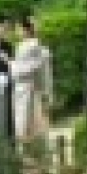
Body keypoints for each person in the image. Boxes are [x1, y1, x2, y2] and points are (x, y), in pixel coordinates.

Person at [10, 15, 53, 143]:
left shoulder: (30, 46)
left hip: (26, 87)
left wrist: (9, 64)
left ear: (26, 30)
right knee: (33, 122)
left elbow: (24, 69)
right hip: (29, 88)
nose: (17, 31)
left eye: (19, 28)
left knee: (26, 123)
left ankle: (30, 154)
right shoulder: (33, 46)